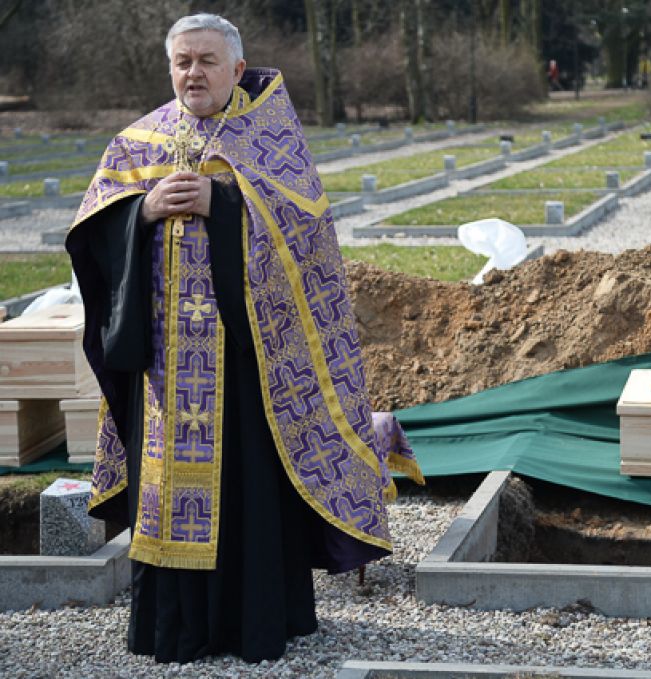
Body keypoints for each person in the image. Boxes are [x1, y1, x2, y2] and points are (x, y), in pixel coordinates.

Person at [66, 13, 422, 664]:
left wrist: (222, 203)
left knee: (249, 492)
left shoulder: (270, 136)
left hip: (249, 362)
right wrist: (142, 212)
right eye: (181, 62)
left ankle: (257, 623)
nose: (192, 73)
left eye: (206, 60)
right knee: (166, 491)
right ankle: (172, 630)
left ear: (235, 67)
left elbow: (307, 237)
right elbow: (93, 235)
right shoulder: (137, 142)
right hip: (165, 366)